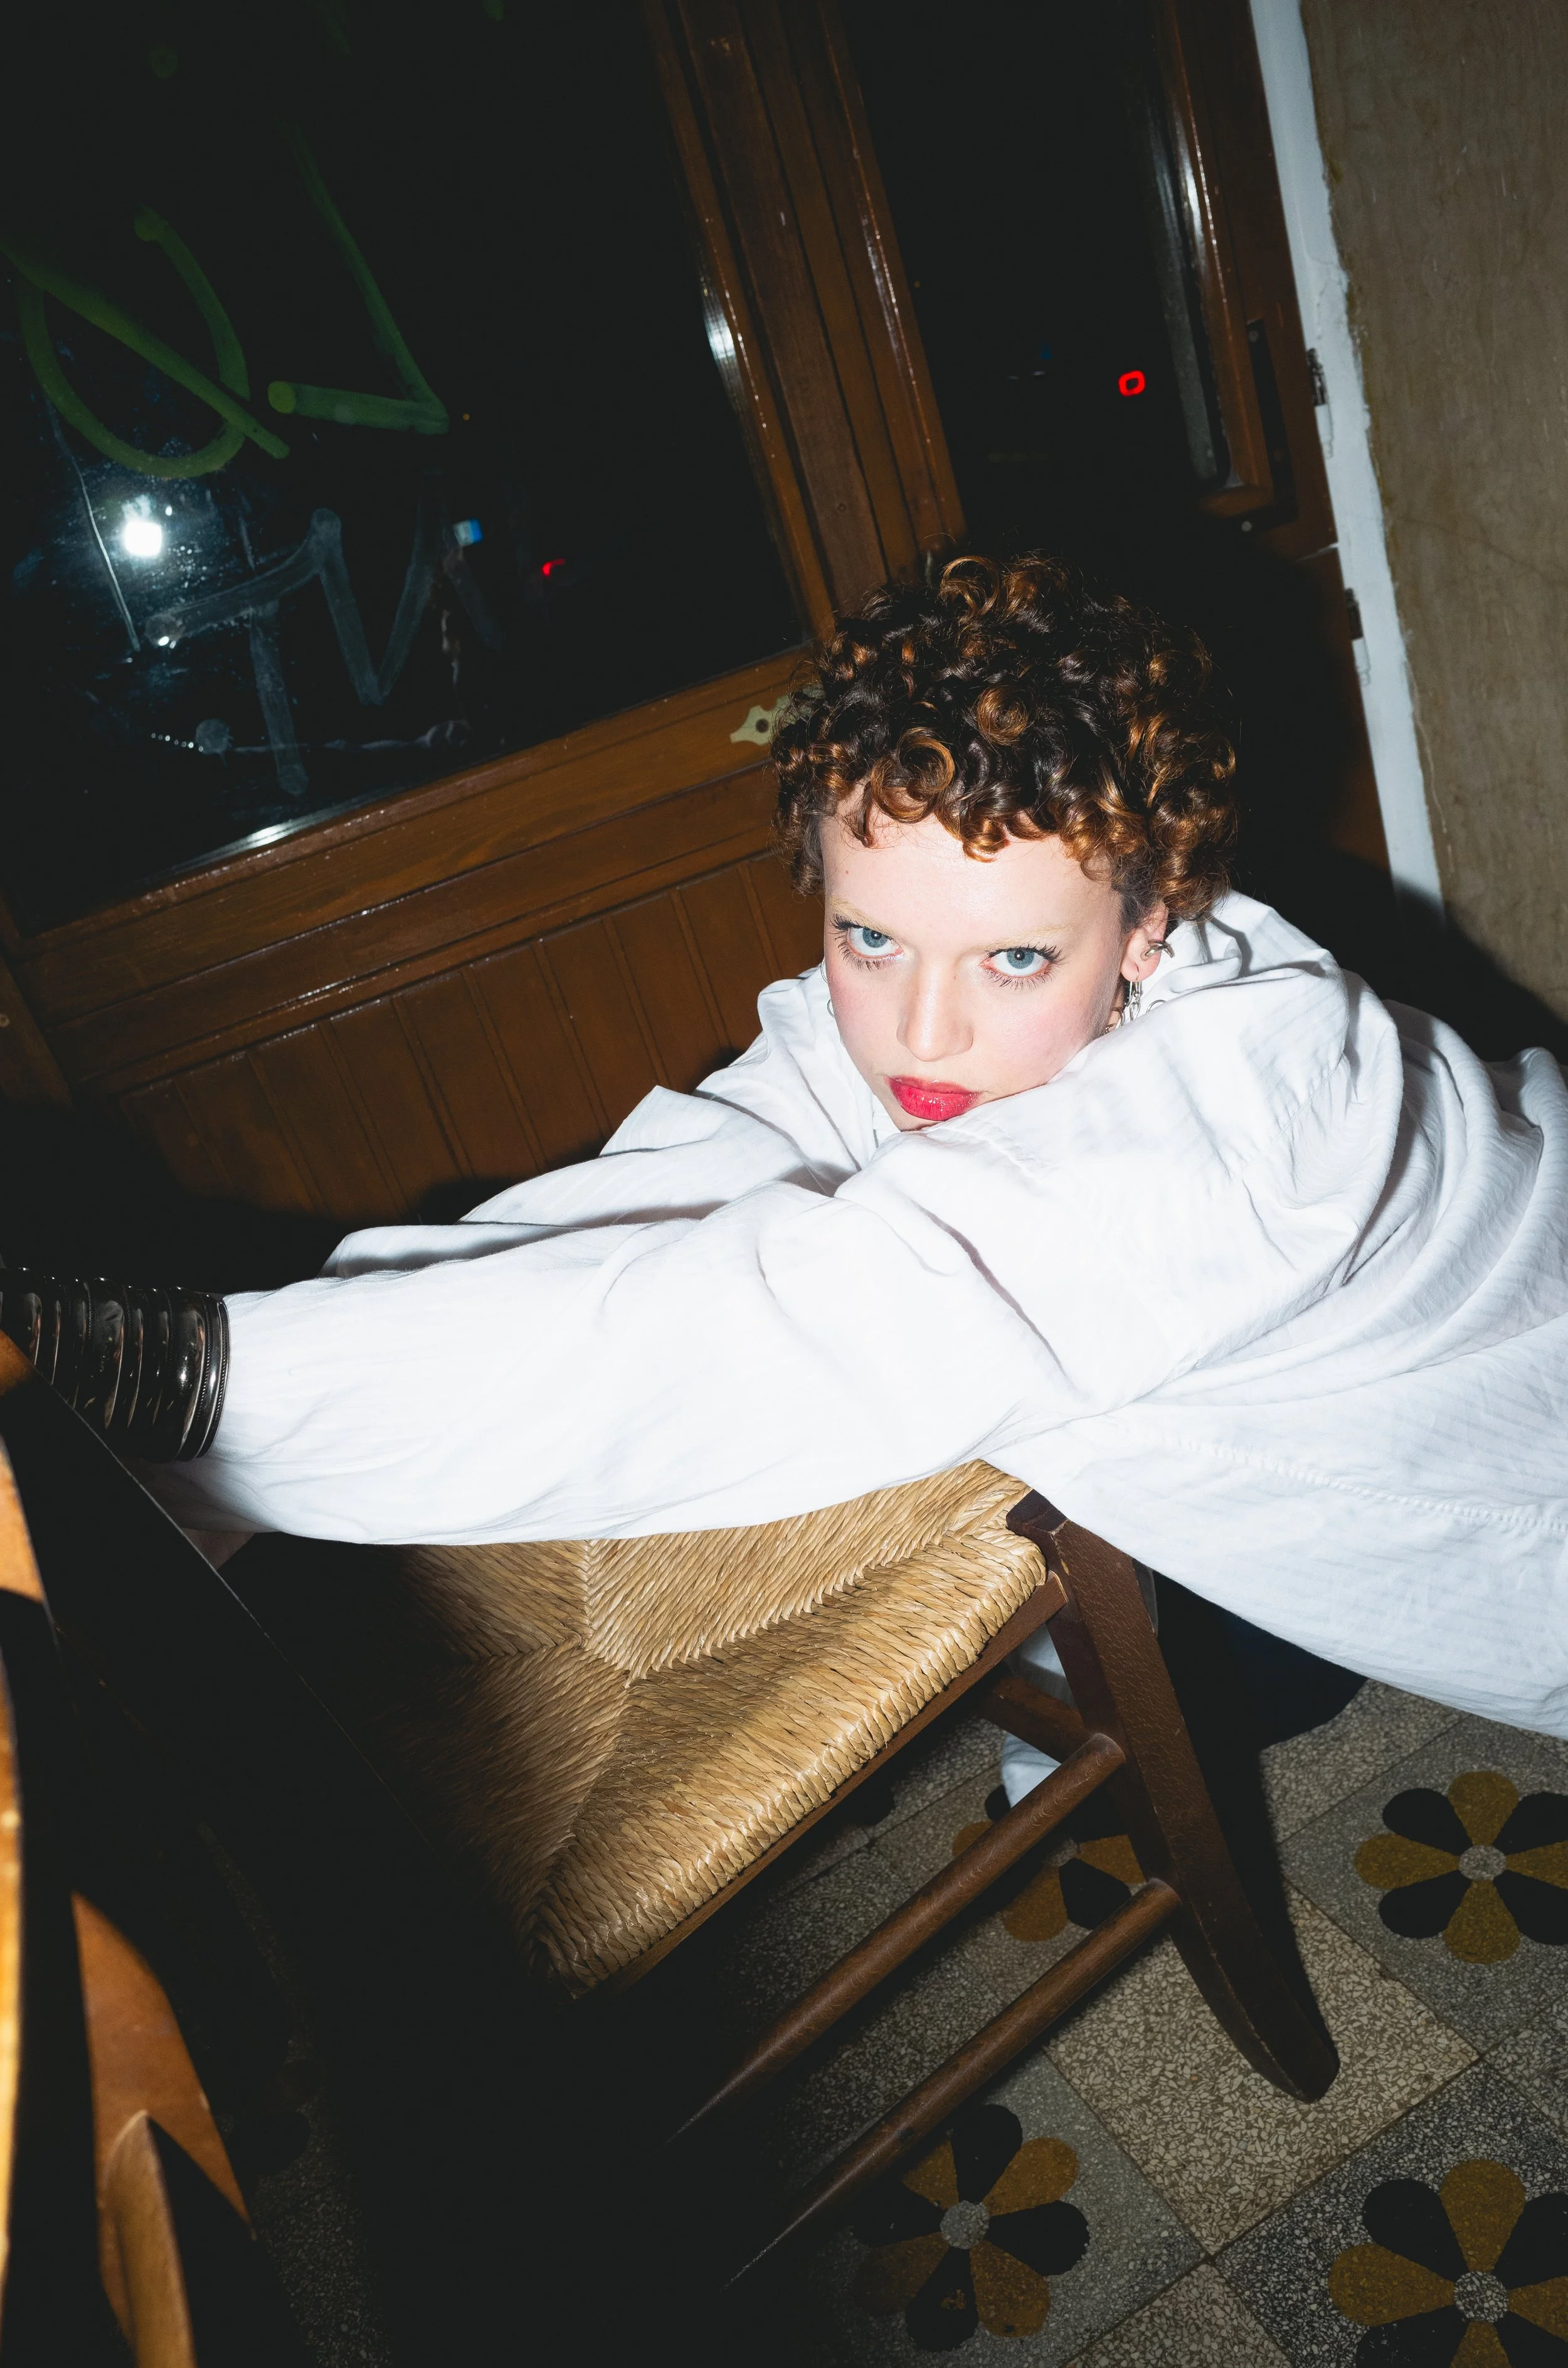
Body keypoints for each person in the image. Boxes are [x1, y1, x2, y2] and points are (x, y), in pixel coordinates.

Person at [9, 556, 1567, 1756]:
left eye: (1013, 961)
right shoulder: (958, 1006)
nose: (920, 1036)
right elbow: (689, 1173)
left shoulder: (1241, 1123)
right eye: (866, 935)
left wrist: (175, 1394)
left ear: (1151, 922)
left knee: (1181, 1600)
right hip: (1352, 1423)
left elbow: (784, 1328)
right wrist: (225, 1408)